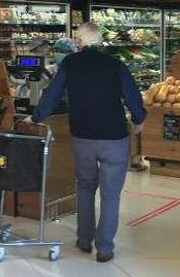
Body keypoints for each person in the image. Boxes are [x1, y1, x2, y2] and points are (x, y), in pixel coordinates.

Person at [26, 22, 146, 263]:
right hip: (114, 137)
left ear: (79, 42)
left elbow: (52, 95)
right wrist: (138, 118)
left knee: (85, 187)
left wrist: (35, 116)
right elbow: (132, 95)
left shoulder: (70, 64)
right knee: (111, 194)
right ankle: (104, 248)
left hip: (82, 137)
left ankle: (84, 239)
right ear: (99, 41)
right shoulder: (115, 65)